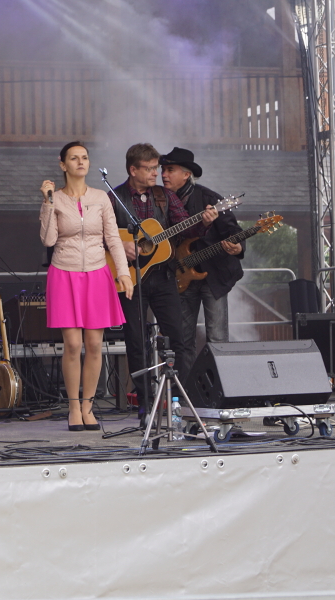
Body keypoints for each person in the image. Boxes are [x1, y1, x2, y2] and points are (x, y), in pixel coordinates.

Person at [109, 143, 216, 420]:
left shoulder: (164, 196)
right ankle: (145, 403)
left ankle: (178, 400)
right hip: (131, 279)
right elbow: (98, 234)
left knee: (177, 338)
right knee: (136, 341)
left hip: (164, 276)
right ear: (133, 170)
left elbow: (186, 226)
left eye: (156, 168)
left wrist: (204, 222)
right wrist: (120, 245)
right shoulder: (114, 198)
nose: (156, 173)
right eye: (149, 169)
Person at [40, 141, 133, 431]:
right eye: (74, 158)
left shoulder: (101, 198)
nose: (81, 162)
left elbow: (113, 238)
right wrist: (48, 203)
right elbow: (48, 240)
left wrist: (124, 272)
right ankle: (73, 408)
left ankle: (88, 407)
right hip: (64, 273)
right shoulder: (55, 199)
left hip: (97, 272)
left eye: (84, 157)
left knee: (94, 344)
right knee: (72, 344)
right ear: (63, 164)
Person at [160, 147, 244, 372]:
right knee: (183, 340)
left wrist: (237, 247)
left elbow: (233, 231)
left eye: (170, 170)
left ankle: (220, 385)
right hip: (181, 276)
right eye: (163, 170)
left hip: (214, 275)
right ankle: (185, 387)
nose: (164, 174)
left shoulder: (210, 199)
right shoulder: (160, 201)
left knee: (217, 338)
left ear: (186, 174)